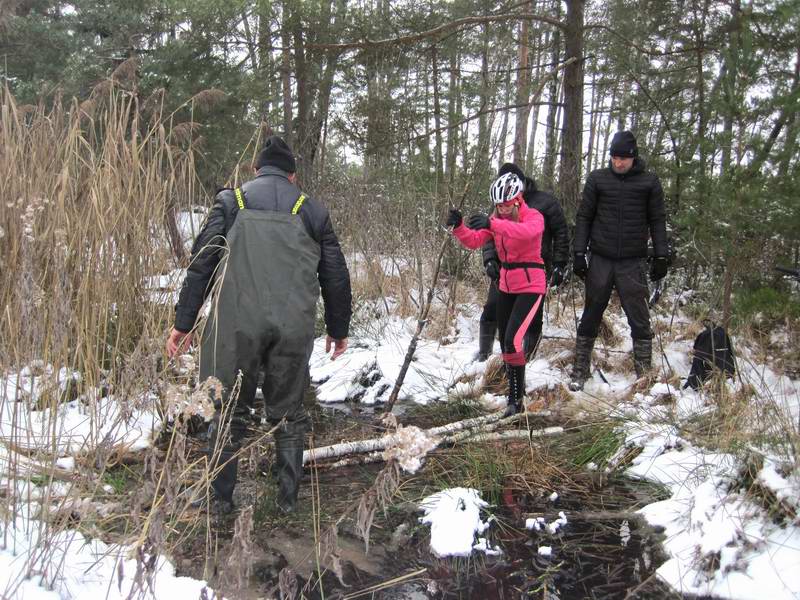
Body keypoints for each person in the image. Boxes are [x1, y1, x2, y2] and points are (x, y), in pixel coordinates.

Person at [166, 135, 352, 512]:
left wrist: (183, 323)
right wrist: (338, 328)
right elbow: (336, 276)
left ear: (255, 169)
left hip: (235, 326)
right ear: (292, 175)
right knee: (288, 413)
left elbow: (202, 263)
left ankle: (219, 501)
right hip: (292, 328)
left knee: (227, 407)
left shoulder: (230, 202)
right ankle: (287, 502)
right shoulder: (312, 211)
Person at [569, 130, 668, 391]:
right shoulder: (597, 179)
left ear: (633, 157)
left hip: (632, 262)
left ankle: (643, 375)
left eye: (623, 158)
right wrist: (579, 253)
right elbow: (584, 217)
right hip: (601, 258)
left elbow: (658, 220)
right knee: (590, 315)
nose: (618, 163)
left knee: (639, 318)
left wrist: (661, 255)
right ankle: (580, 370)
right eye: (614, 157)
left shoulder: (649, 183)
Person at [446, 172, 546, 416]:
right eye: (497, 206)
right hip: (506, 284)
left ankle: (515, 400)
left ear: (517, 199)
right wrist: (459, 227)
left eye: (505, 205)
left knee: (513, 339)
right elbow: (475, 240)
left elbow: (524, 233)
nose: (500, 210)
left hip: (531, 285)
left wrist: (493, 223)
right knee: (505, 342)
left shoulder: (533, 216)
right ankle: (516, 392)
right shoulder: (496, 219)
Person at [477, 163, 569, 362]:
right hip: (505, 269)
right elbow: (489, 234)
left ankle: (527, 358)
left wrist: (560, 264)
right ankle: (484, 356)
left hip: (535, 268)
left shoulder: (545, 202)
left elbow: (561, 233)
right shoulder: (499, 203)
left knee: (532, 317)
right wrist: (490, 259)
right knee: (492, 308)